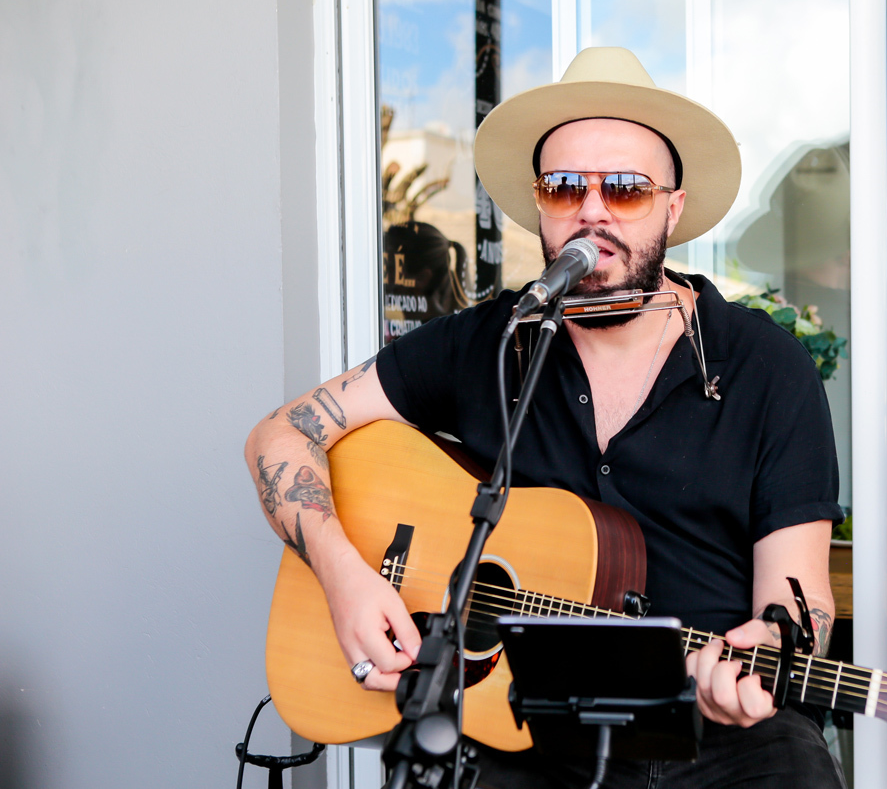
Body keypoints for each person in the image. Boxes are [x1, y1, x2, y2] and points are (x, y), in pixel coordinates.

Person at [245, 47, 845, 788]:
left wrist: (773, 648)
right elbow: (280, 434)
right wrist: (344, 576)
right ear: (540, 206)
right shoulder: (491, 343)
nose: (592, 211)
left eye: (625, 189)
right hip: (524, 729)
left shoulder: (765, 367)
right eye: (564, 187)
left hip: (722, 738)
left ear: (673, 208)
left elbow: (801, 600)